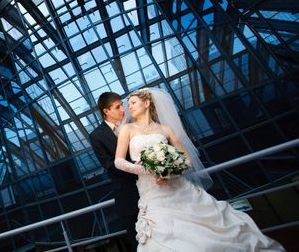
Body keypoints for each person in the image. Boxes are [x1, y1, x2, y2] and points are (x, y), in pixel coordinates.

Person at [114, 87, 285, 251]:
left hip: (179, 187)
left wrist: (169, 171)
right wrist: (149, 170)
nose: (129, 107)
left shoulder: (165, 130)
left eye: (133, 102)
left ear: (147, 103)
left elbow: (187, 160)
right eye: (128, 104)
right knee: (162, 231)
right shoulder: (128, 129)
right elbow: (119, 161)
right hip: (152, 192)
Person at [89, 92, 140, 251]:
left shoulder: (133, 123)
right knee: (138, 239)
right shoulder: (96, 136)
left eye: (122, 105)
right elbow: (109, 164)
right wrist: (138, 168)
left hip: (152, 186)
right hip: (128, 194)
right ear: (106, 111)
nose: (123, 110)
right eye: (117, 107)